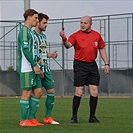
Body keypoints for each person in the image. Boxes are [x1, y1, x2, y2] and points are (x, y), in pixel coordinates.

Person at [59, 16, 110, 123]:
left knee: (94, 92)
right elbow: (68, 45)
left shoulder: (97, 35)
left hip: (92, 65)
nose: (82, 25)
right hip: (80, 65)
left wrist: (106, 63)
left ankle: (92, 117)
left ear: (91, 23)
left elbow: (101, 49)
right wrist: (64, 38)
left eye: (85, 23)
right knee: (79, 91)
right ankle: (74, 117)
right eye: (81, 22)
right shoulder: (76, 35)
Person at [18, 9, 44, 126]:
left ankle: (32, 118)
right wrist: (34, 65)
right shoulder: (24, 31)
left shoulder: (31, 33)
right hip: (27, 67)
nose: (37, 20)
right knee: (27, 92)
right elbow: (25, 49)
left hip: (35, 67)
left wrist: (39, 61)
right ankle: (23, 121)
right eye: (35, 18)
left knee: (38, 92)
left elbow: (34, 50)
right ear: (29, 17)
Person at [33, 13, 59, 124]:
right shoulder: (32, 36)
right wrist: (37, 66)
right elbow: (33, 53)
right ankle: (31, 118)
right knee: (37, 93)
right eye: (44, 22)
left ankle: (48, 117)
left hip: (46, 68)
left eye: (47, 23)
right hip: (37, 68)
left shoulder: (43, 36)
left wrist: (50, 55)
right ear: (37, 22)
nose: (46, 25)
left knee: (51, 91)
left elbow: (42, 53)